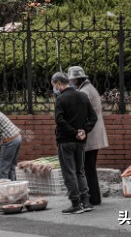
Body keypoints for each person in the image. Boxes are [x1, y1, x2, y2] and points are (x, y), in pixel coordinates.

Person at [51, 72, 97, 214]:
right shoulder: (82, 96)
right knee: (80, 171)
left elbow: (59, 121)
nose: (54, 88)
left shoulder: (60, 100)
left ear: (58, 83)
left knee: (69, 173)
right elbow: (93, 117)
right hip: (81, 141)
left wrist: (73, 132)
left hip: (66, 141)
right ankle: (86, 202)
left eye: (54, 85)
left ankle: (76, 204)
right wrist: (83, 131)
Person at [68, 66, 109, 206]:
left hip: (90, 134)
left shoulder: (85, 92)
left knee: (87, 168)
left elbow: (83, 114)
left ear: (76, 79)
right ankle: (95, 197)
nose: (71, 82)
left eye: (71, 79)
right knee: (89, 167)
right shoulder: (89, 88)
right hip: (95, 133)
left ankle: (93, 198)